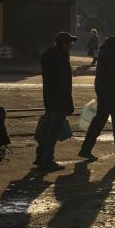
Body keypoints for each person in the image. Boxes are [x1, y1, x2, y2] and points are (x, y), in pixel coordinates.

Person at [79, 25, 115, 164]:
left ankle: (85, 149)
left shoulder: (106, 46)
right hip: (112, 92)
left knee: (99, 120)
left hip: (103, 89)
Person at [35, 32, 76, 170]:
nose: (71, 45)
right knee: (53, 132)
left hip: (49, 98)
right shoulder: (61, 58)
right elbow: (64, 84)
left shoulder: (49, 55)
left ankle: (40, 156)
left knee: (47, 129)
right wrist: (68, 104)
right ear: (64, 44)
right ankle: (47, 159)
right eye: (69, 42)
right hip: (59, 100)